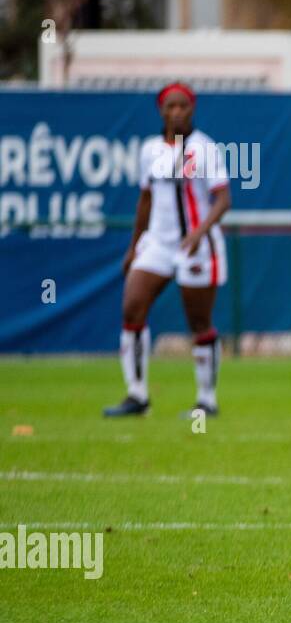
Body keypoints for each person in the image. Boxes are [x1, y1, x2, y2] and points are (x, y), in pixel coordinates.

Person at [104, 82, 230, 418]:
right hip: (158, 243)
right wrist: (134, 247)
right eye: (170, 106)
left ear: (192, 109)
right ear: (160, 110)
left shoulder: (204, 149)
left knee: (199, 321)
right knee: (132, 307)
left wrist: (200, 232)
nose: (176, 112)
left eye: (182, 106)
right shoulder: (149, 150)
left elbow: (223, 199)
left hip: (196, 245)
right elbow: (145, 199)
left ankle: (206, 400)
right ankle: (137, 395)